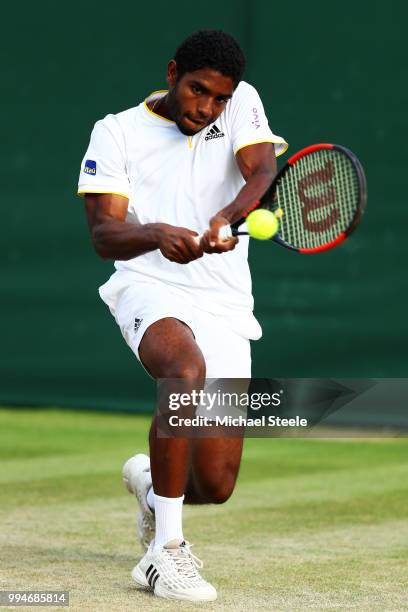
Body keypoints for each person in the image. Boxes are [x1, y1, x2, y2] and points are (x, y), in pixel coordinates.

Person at [78, 29, 287, 603]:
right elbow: (104, 234)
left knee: (215, 485)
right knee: (182, 371)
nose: (207, 107)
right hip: (149, 286)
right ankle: (164, 554)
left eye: (219, 98)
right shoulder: (117, 131)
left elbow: (263, 171)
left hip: (224, 302)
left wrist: (228, 214)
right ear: (173, 74)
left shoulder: (242, 101)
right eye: (198, 91)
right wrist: (155, 234)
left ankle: (151, 488)